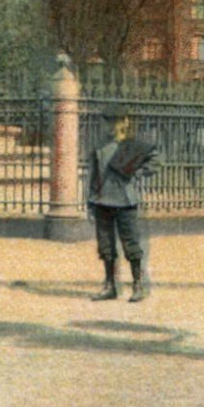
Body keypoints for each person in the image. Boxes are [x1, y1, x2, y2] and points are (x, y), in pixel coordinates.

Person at [87, 106, 160, 302]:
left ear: (125, 122)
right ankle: (110, 286)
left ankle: (138, 285)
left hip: (125, 202)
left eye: (117, 121)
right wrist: (90, 202)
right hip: (102, 201)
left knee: (131, 244)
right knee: (105, 246)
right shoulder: (100, 147)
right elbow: (93, 176)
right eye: (109, 121)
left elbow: (154, 162)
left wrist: (137, 173)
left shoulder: (133, 146)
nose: (112, 125)